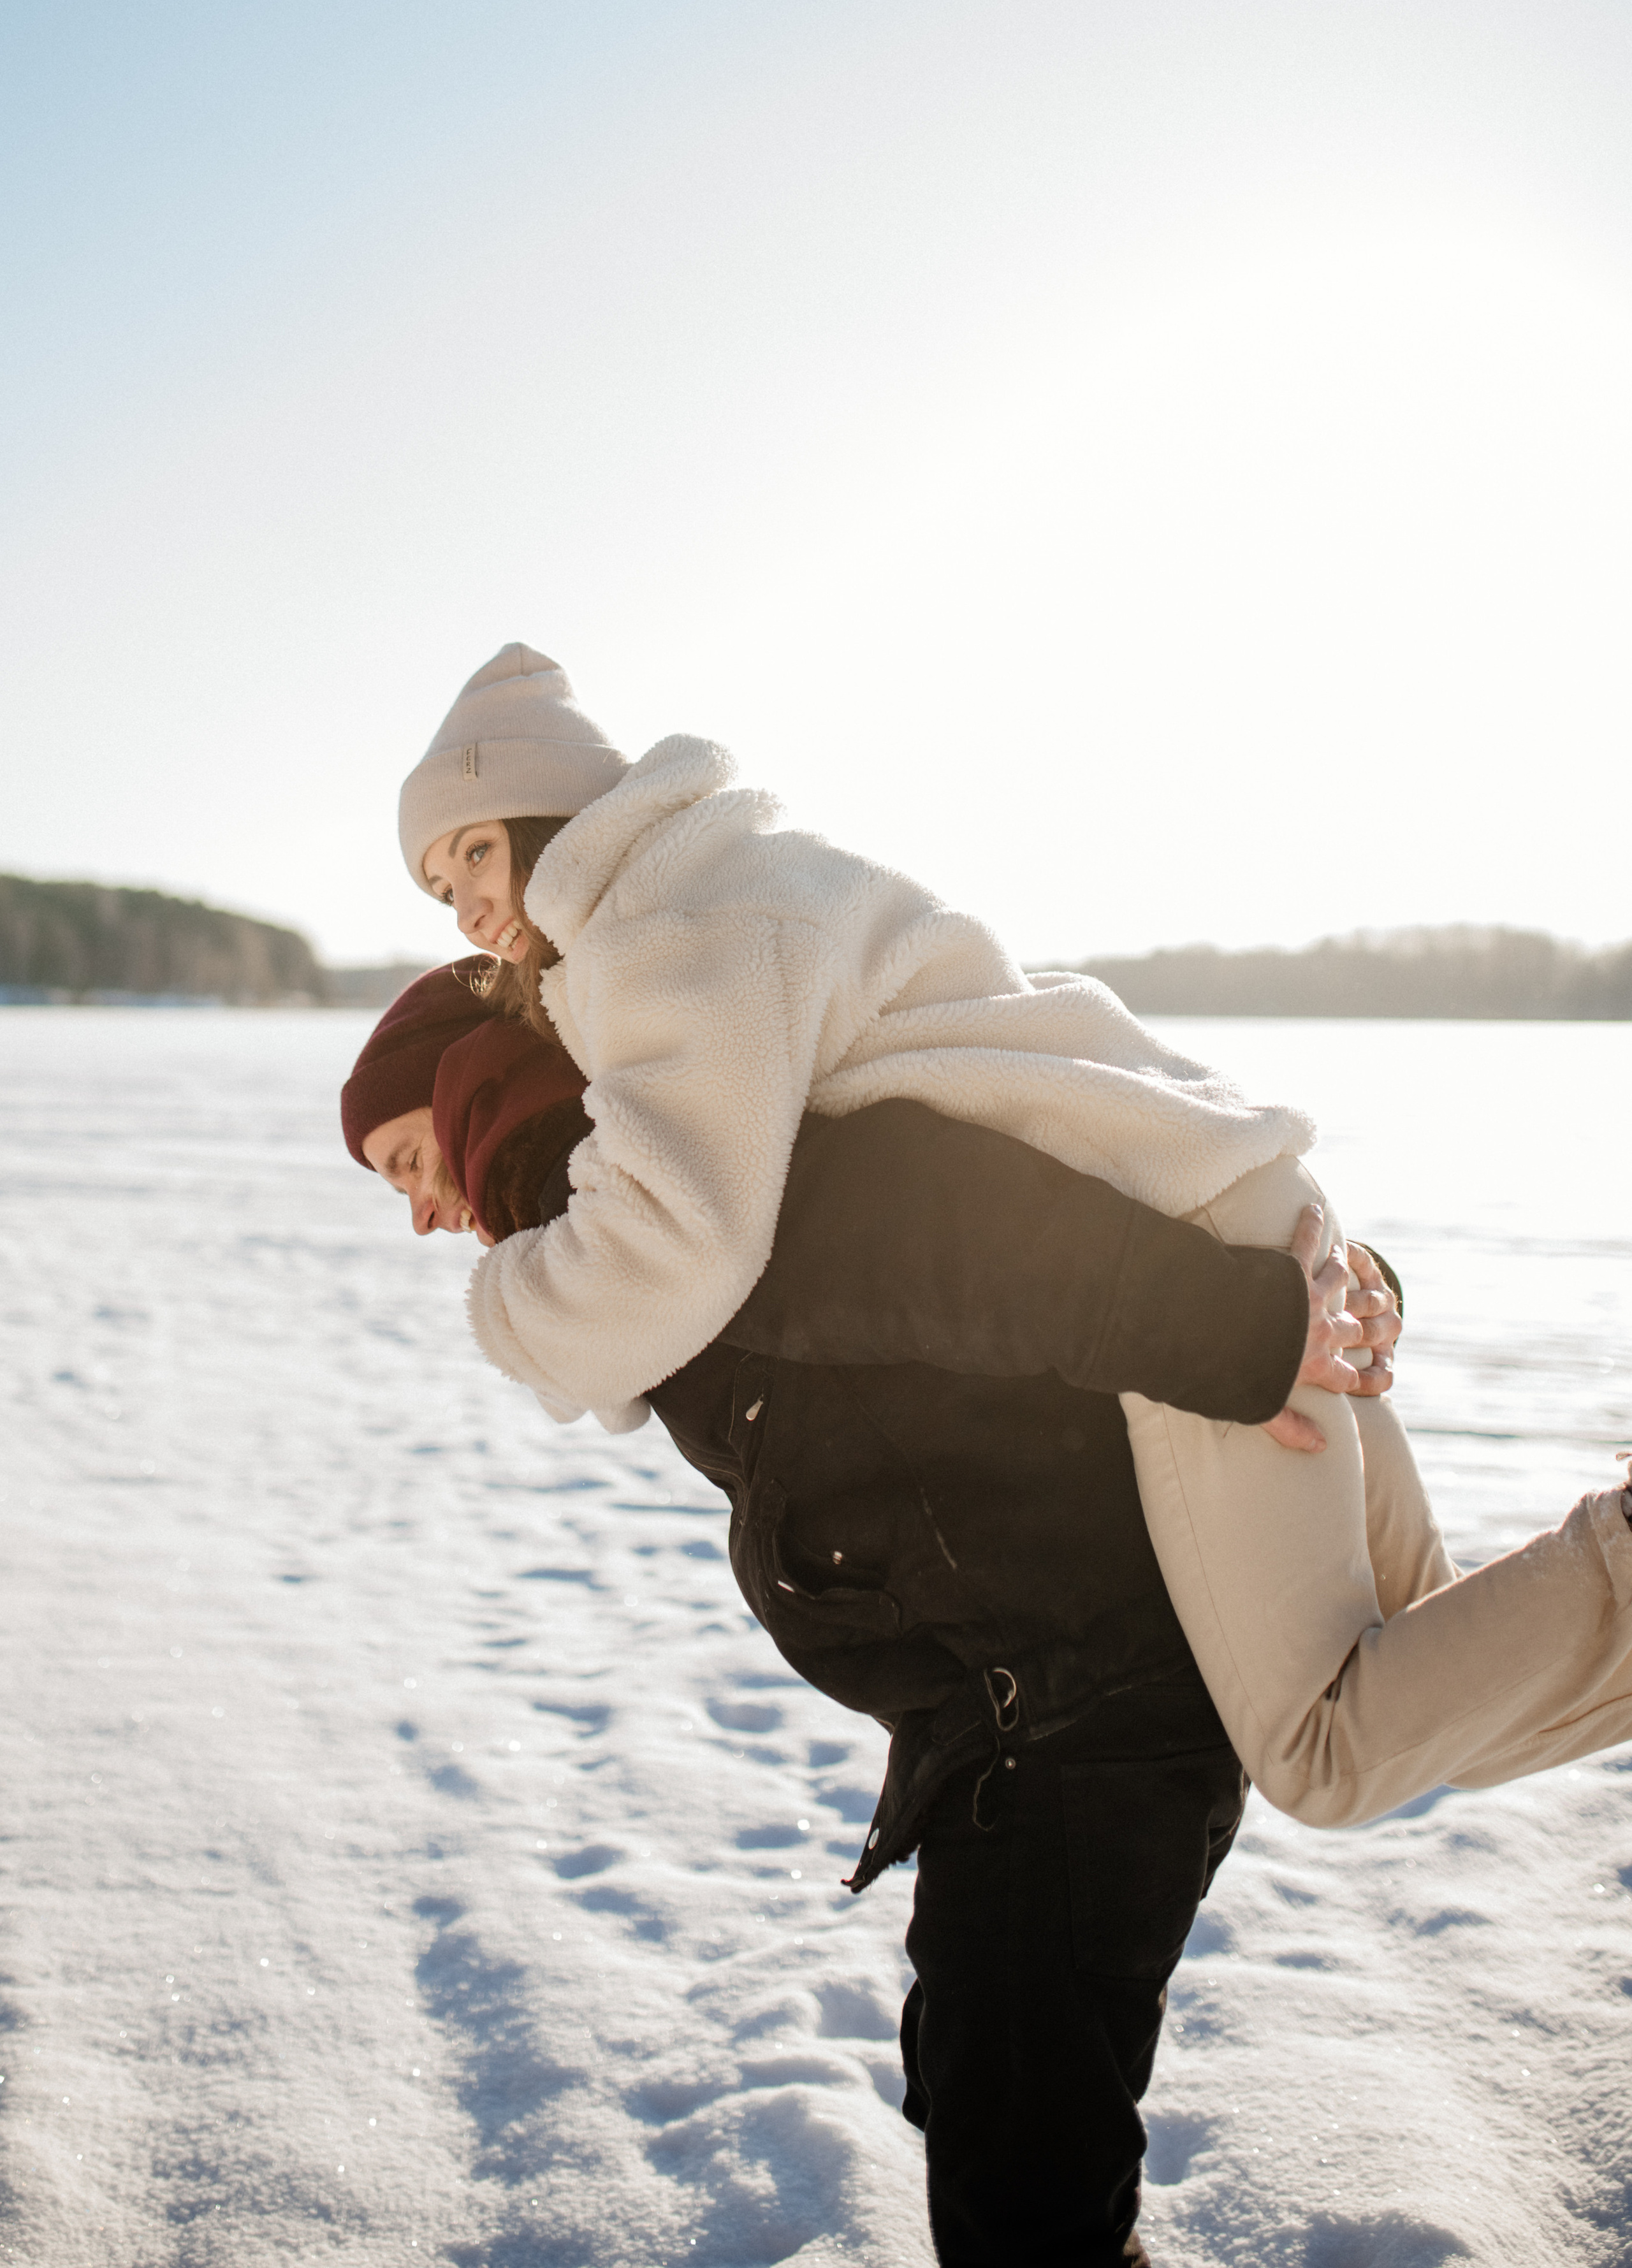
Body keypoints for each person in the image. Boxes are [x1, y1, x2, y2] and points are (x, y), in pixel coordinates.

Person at [391, 644, 1632, 1830]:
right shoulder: (743, 873)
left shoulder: (667, 929)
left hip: (1195, 1266)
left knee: (1322, 1745)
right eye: (441, 891)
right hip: (1232, 1198)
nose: (466, 911)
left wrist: (512, 1310)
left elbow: (679, 1243)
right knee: (1453, 1668)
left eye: (473, 858)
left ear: (545, 807)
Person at [342, 964, 1397, 2267]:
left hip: (1073, 1717)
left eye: (405, 1164)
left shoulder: (698, 1195)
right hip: (1004, 1726)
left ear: (472, 1100)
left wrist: (1248, 1322)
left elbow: (974, 1243)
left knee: (1025, 2201)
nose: (419, 1218)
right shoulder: (634, 1245)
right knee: (998, 2132)